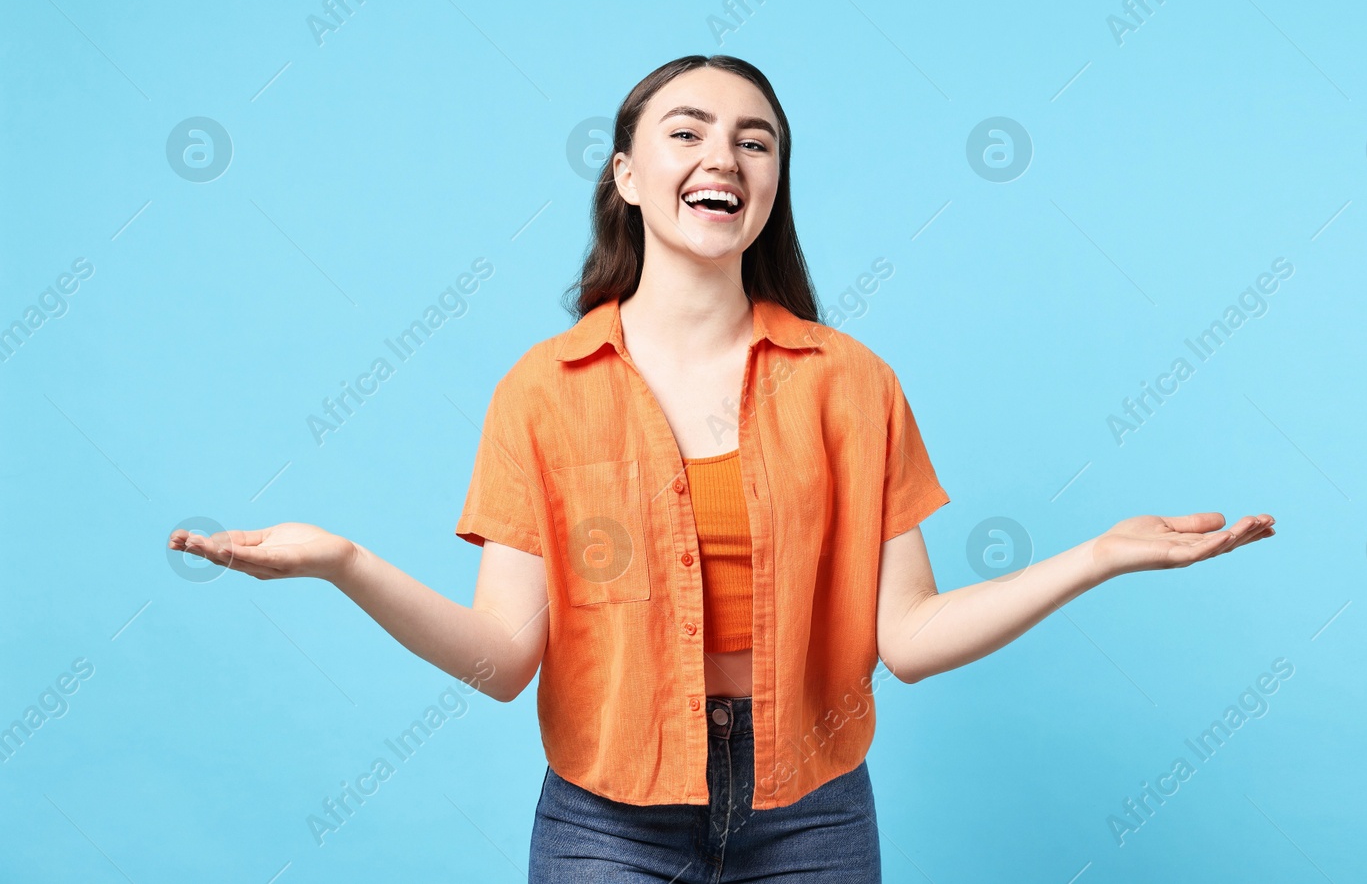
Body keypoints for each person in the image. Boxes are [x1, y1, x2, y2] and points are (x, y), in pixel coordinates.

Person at [170, 54, 1277, 882]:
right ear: (629, 175)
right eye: (688, 130)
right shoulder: (544, 388)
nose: (724, 156)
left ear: (774, 181)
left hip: (814, 811)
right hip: (606, 819)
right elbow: (505, 658)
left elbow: (911, 638)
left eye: (756, 139)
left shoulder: (850, 382)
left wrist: (1097, 555)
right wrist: (344, 561)